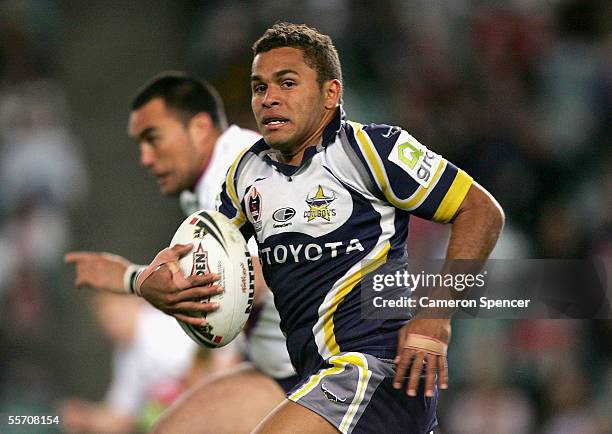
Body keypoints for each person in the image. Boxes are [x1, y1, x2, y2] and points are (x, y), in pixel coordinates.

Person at [136, 23, 504, 433]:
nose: (269, 98)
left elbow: (481, 211)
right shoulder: (245, 175)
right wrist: (156, 281)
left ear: (331, 93)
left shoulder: (371, 150)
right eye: (259, 88)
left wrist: (436, 316)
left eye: (287, 83)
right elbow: (209, 254)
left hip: (379, 371)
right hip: (316, 379)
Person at [65, 72, 298, 433]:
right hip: (276, 368)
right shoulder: (204, 188)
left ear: (200, 128)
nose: (144, 157)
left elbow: (277, 265)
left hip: (316, 370)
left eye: (153, 139)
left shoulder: (242, 170)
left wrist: (159, 287)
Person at [60, 292, 195, 433]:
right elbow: (122, 415)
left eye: (112, 318)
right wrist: (87, 418)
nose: (109, 329)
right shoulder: (125, 352)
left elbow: (206, 368)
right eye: (104, 322)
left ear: (132, 302)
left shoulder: (158, 325)